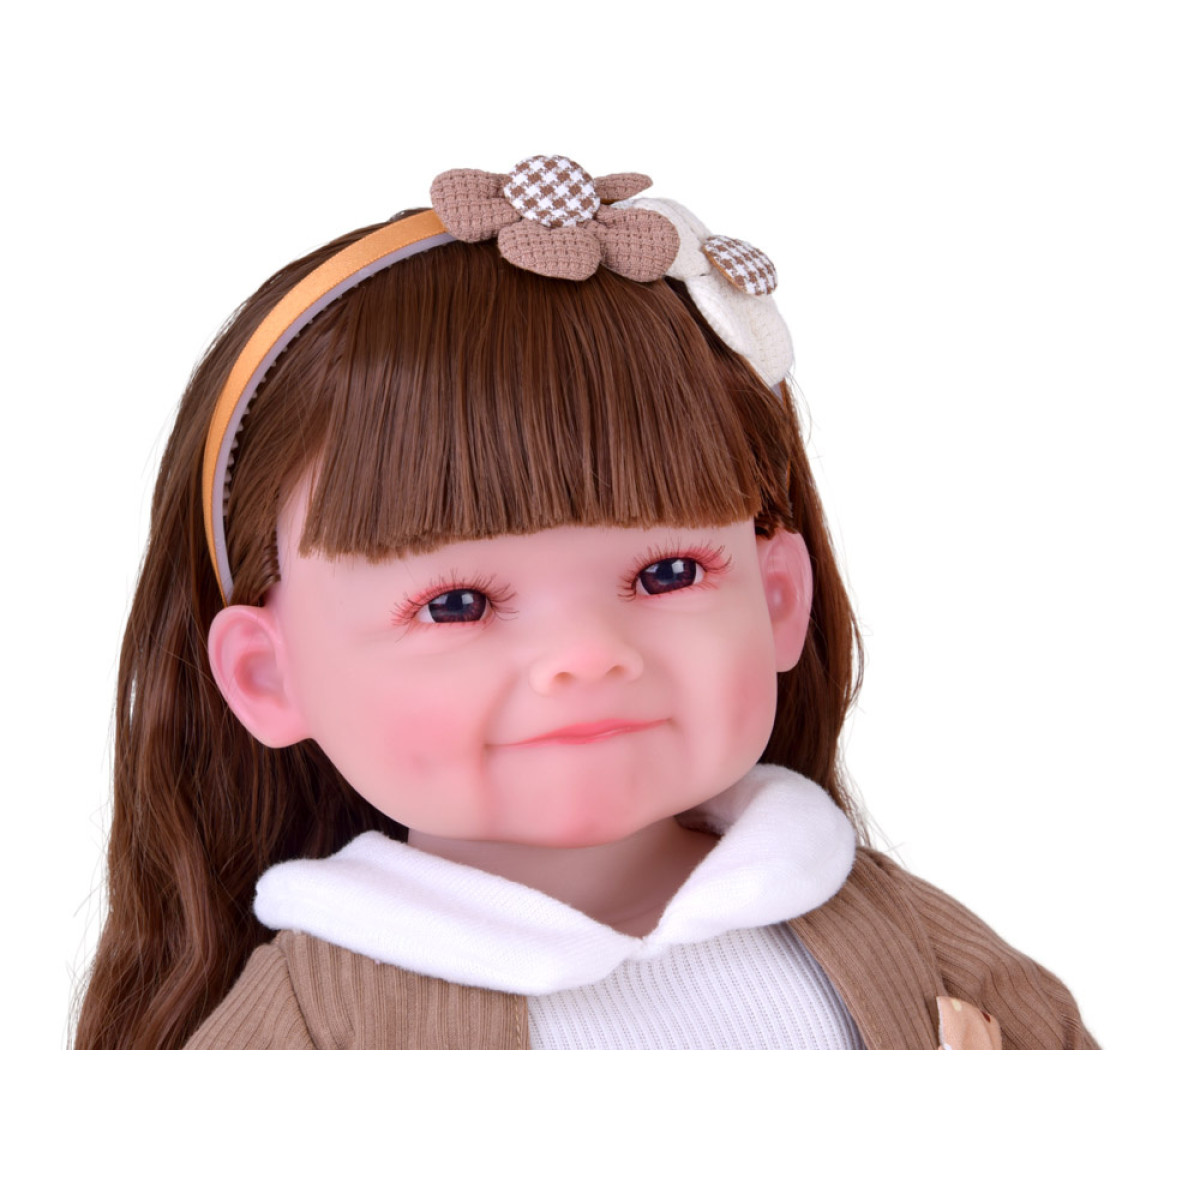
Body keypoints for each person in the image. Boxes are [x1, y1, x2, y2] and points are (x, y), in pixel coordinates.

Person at [75, 155, 1095, 1049]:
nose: (588, 654)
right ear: (270, 676)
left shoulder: (891, 933)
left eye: (668, 575)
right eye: (456, 604)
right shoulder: (320, 1021)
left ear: (780, 599)